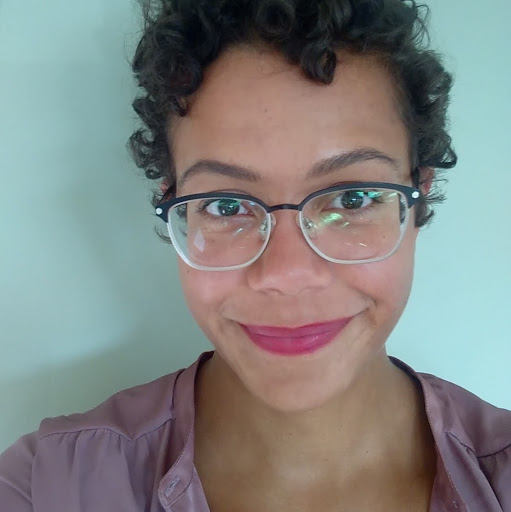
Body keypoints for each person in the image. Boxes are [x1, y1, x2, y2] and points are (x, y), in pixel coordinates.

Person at [1, 0, 510, 510]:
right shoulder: (45, 486)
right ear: (175, 208)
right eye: (226, 205)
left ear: (417, 202)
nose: (286, 274)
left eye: (352, 199)